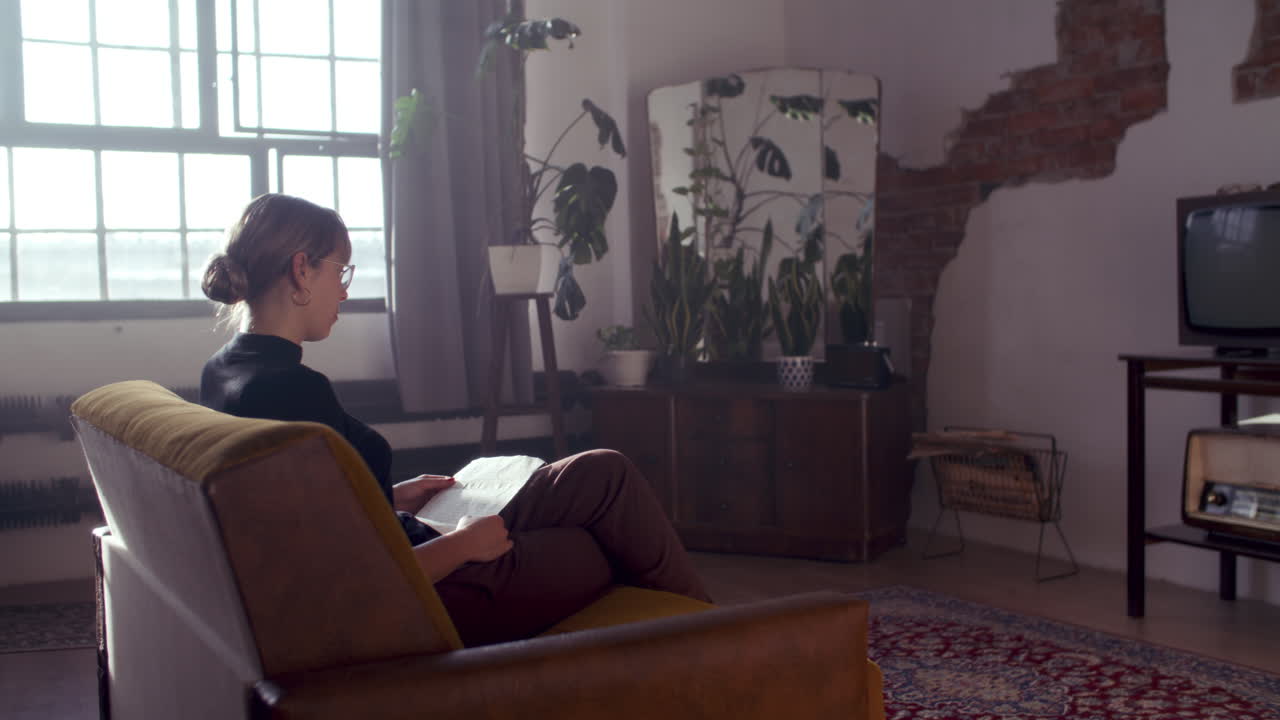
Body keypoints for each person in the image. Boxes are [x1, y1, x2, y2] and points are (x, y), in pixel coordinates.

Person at [199, 193, 710, 646]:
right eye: (341, 271)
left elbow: (305, 510)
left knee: (602, 472)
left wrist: (391, 494)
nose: (345, 291)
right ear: (301, 270)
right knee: (600, 545)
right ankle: (716, 645)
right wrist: (462, 546)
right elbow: (340, 575)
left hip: (412, 539)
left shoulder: (225, 371)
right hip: (427, 588)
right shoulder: (288, 390)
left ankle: (709, 639)